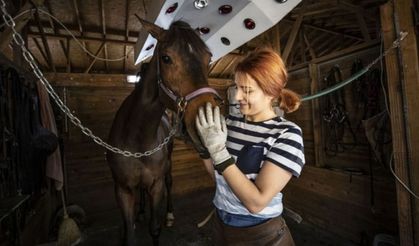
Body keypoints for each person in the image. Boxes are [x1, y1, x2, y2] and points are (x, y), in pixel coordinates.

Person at [195, 48, 305, 245]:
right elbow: (219, 178)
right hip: (221, 224)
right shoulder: (228, 125)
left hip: (259, 232)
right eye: (237, 87)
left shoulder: (287, 134)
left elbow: (256, 203)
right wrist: (203, 148)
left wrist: (219, 153)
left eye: (247, 90)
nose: (237, 97)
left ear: (270, 93)